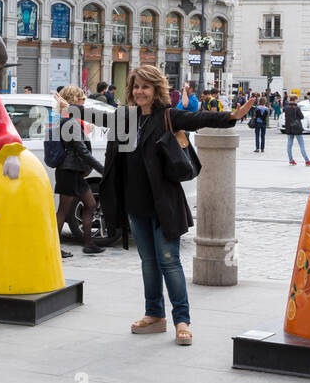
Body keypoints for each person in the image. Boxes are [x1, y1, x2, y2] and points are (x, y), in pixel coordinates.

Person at [99, 67, 255, 345]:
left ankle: (182, 320)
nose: (140, 92)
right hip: (136, 202)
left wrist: (231, 116)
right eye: (136, 87)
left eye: (146, 87)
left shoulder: (168, 116)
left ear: (156, 90)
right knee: (148, 262)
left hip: (164, 203)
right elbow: (110, 146)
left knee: (169, 261)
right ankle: (154, 315)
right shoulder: (125, 117)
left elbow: (198, 118)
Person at [52, 86, 104, 258]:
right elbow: (82, 151)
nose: (84, 102)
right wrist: (101, 169)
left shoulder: (68, 119)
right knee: (63, 210)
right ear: (73, 101)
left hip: (74, 171)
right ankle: (55, 249)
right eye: (81, 99)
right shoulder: (69, 121)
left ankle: (89, 243)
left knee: (89, 204)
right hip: (69, 171)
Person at [283, 95, 310, 166]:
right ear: (295, 100)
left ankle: (291, 160)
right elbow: (301, 117)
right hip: (297, 128)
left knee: (289, 144)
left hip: (289, 128)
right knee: (301, 145)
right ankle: (307, 161)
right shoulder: (297, 108)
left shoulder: (286, 108)